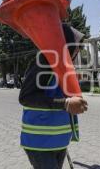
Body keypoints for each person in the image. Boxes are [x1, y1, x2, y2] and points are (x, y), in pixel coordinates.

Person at [19, 23, 88, 169]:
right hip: (40, 143)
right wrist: (66, 103)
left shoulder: (63, 66)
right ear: (65, 43)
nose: (78, 51)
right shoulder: (44, 62)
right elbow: (26, 97)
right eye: (77, 46)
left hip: (58, 141)